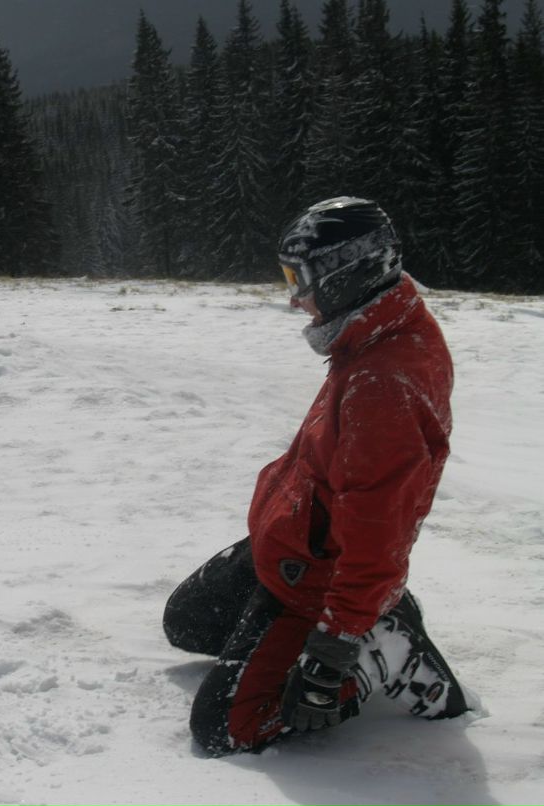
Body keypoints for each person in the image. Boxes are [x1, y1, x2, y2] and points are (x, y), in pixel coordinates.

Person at [163, 197, 477, 755]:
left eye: (302, 281)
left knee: (224, 728)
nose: (295, 298)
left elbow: (380, 529)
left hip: (315, 578)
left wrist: (334, 650)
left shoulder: (383, 382)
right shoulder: (373, 333)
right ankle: (377, 612)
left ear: (347, 275)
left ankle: (377, 654)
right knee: (187, 624)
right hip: (288, 542)